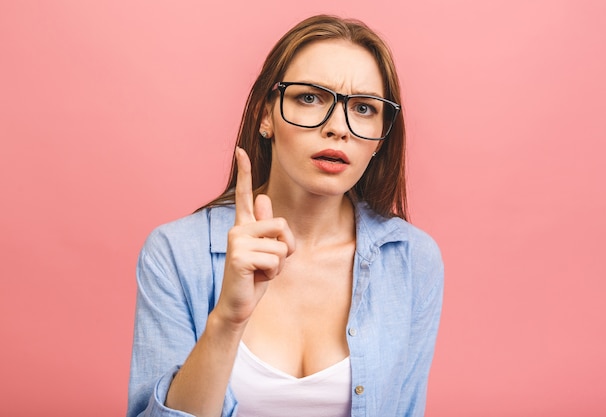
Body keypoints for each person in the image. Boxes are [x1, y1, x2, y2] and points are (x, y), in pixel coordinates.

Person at [127, 14, 444, 417]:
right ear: (265, 115)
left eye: (363, 108)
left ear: (381, 138)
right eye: (310, 98)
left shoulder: (412, 260)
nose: (337, 128)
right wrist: (227, 320)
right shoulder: (175, 253)